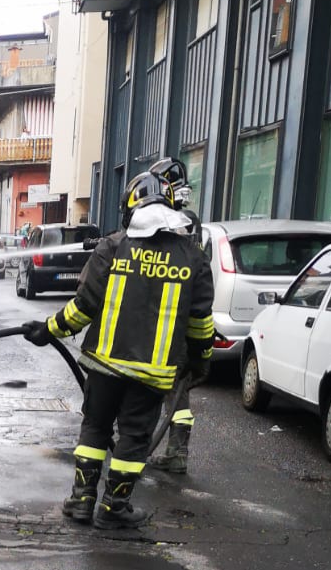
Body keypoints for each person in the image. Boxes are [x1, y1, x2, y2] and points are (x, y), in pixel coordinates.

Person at [22, 171, 215, 529]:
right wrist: (201, 360)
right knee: (134, 438)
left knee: (95, 428)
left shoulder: (112, 247)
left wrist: (47, 330)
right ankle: (114, 507)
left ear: (131, 207)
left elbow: (82, 309)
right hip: (151, 375)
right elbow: (200, 323)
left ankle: (81, 500)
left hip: (103, 367)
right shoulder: (193, 257)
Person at [147, 157, 203, 474]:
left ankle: (133, 446)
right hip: (181, 321)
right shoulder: (191, 224)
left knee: (149, 386)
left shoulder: (165, 223)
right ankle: (178, 452)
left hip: (158, 319)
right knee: (177, 392)